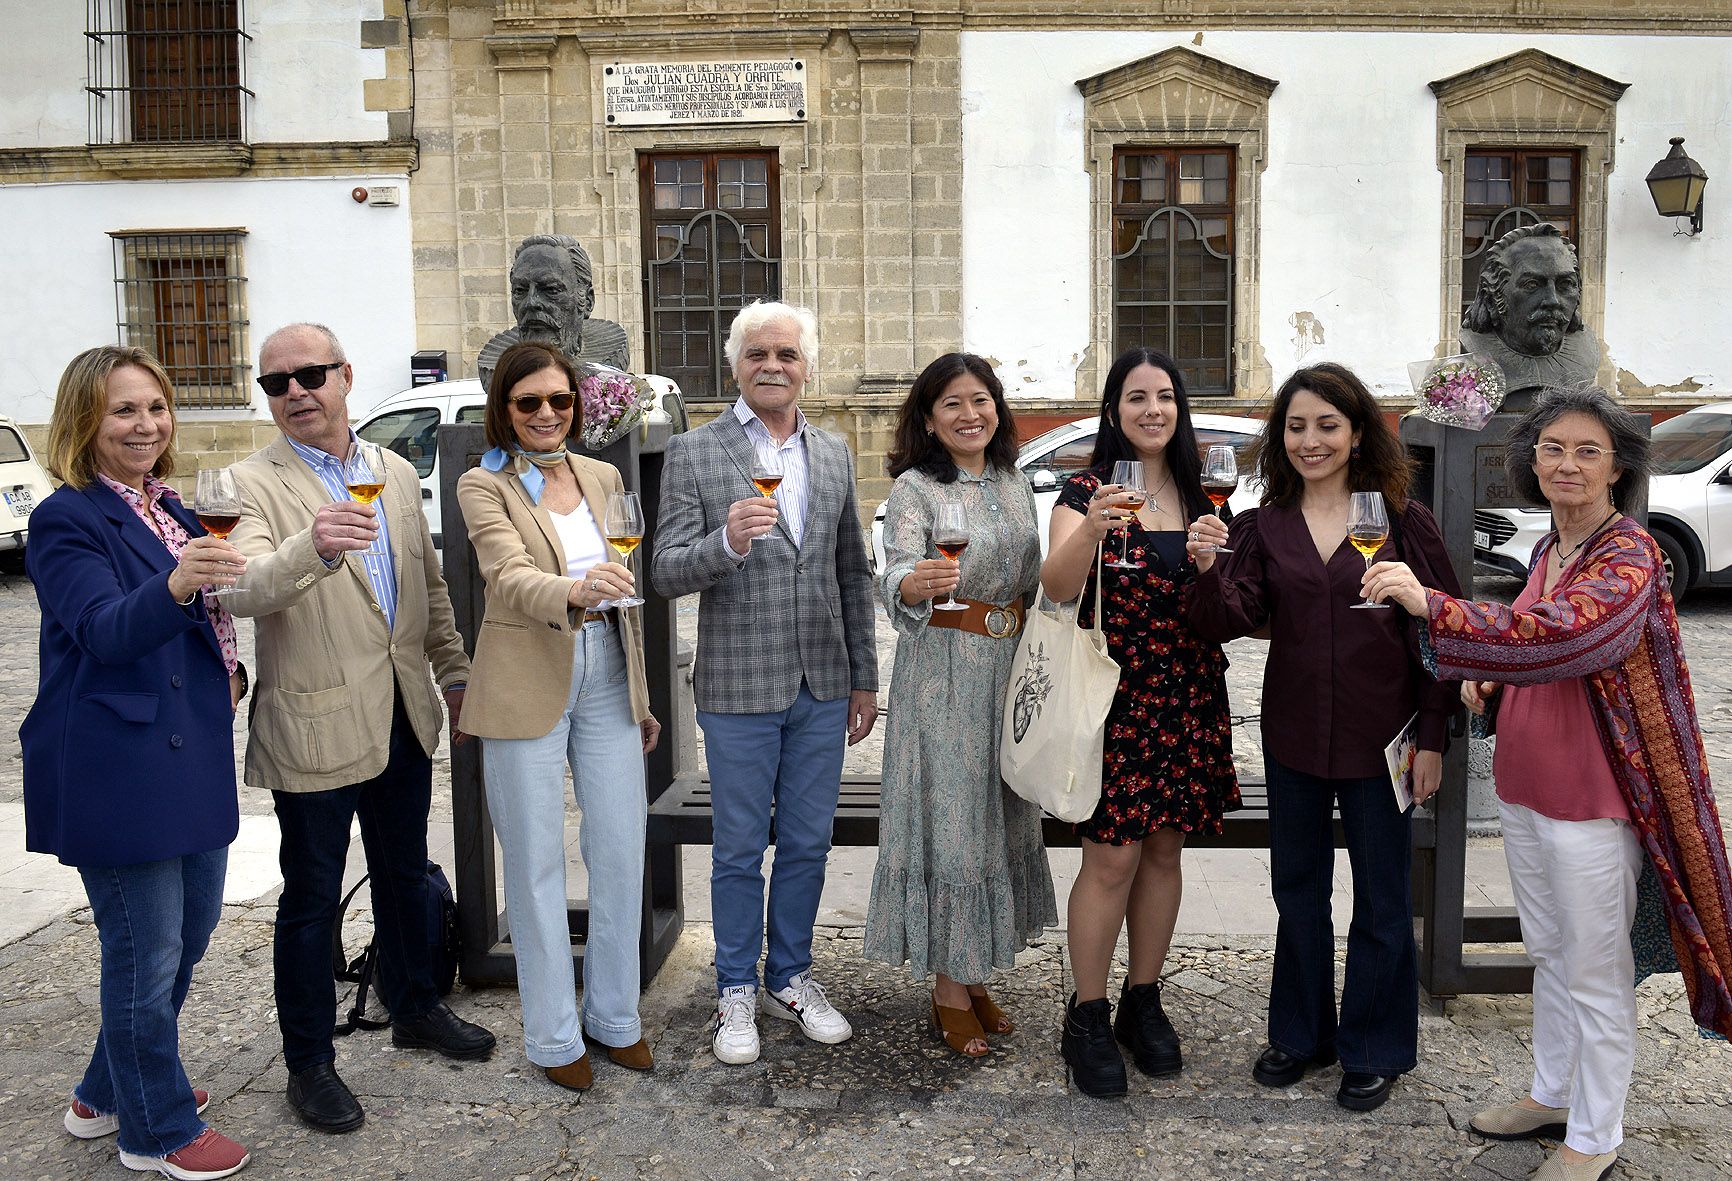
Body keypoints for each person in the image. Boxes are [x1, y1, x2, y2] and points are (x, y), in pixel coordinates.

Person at [1362, 384, 1732, 1181]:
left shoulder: (1631, 554)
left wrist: (1432, 604)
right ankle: (1554, 1092)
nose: (1567, 463)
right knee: (1551, 953)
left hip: (1595, 802)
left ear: (1617, 467)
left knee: (1597, 970)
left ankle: (1595, 1135)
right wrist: (1483, 681)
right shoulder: (1547, 550)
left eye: (1587, 450)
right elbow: (1525, 649)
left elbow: (1564, 638)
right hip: (1529, 789)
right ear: (1531, 460)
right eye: (1553, 448)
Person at [224, 322, 495, 1135]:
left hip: (402, 713)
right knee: (310, 900)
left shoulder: (392, 467)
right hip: (314, 722)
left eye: (310, 374)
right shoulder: (249, 481)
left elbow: (426, 586)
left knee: (404, 873)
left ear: (344, 375)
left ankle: (414, 1005)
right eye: (277, 383)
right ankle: (309, 1062)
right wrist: (314, 544)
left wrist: (452, 672)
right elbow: (243, 592)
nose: (296, 391)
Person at [1185, 361, 1461, 1113]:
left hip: (1384, 740)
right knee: (1297, 892)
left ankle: (1373, 1047)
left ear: (1357, 430)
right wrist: (1208, 566)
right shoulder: (1263, 524)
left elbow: (1441, 631)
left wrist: (1433, 734)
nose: (1311, 441)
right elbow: (1224, 619)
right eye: (1297, 426)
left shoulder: (1403, 519)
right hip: (1296, 734)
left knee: (1380, 898)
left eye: (1327, 425)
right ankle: (1300, 1035)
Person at [22, 346, 251, 1178]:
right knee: (144, 954)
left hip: (189, 755)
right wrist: (181, 585)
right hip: (118, 766)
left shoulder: (171, 506)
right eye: (125, 410)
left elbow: (205, 620)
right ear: (85, 419)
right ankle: (154, 1127)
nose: (146, 424)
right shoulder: (65, 519)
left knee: (184, 941)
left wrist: (232, 666)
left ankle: (101, 1089)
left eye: (156, 407)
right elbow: (104, 629)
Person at [651, 299, 879, 1065]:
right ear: (735, 366)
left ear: (806, 367)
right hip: (738, 684)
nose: (772, 365)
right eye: (758, 354)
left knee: (809, 843)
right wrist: (725, 542)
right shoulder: (695, 452)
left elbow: (854, 569)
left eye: (786, 353)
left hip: (823, 681)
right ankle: (734, 989)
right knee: (739, 847)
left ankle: (790, 975)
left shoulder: (837, 452)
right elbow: (663, 569)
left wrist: (865, 679)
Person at [455, 342, 662, 1092]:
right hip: (524, 676)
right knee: (536, 862)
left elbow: (627, 595)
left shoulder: (604, 474)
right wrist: (573, 591)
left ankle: (614, 1016)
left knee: (619, 846)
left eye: (560, 401)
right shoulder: (484, 483)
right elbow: (505, 578)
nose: (547, 415)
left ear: (578, 404)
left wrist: (639, 696)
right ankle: (551, 1033)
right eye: (529, 403)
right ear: (505, 410)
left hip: (606, 668)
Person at [1039, 347, 1240, 1098]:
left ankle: (1142, 999)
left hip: (1187, 696)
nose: (1152, 409)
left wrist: (1219, 564)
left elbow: (1229, 611)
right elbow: (1056, 589)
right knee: (1111, 860)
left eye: (1164, 395)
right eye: (1135, 398)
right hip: (1113, 700)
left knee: (1163, 853)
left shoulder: (1206, 494)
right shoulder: (1086, 490)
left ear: (1179, 408)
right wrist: (1090, 529)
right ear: (1114, 411)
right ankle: (1086, 1012)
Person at [863, 353, 1057, 1057]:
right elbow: (893, 568)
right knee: (952, 819)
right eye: (952, 403)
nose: (969, 414)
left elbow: (1036, 579)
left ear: (998, 409)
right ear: (928, 418)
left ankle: (973, 973)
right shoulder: (915, 487)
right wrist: (914, 581)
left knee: (997, 816)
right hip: (943, 670)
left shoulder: (1013, 481)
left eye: (981, 400)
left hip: (1010, 669)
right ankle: (949, 987)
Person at [1457, 223, 1600, 409]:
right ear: (1493, 295)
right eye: (1532, 285)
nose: (1553, 300)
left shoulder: (1585, 353)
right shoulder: (1478, 359)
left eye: (1565, 284)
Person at [477, 234, 631, 389]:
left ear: (587, 302)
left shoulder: (606, 370)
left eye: (551, 289)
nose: (531, 302)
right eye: (520, 290)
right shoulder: (498, 372)